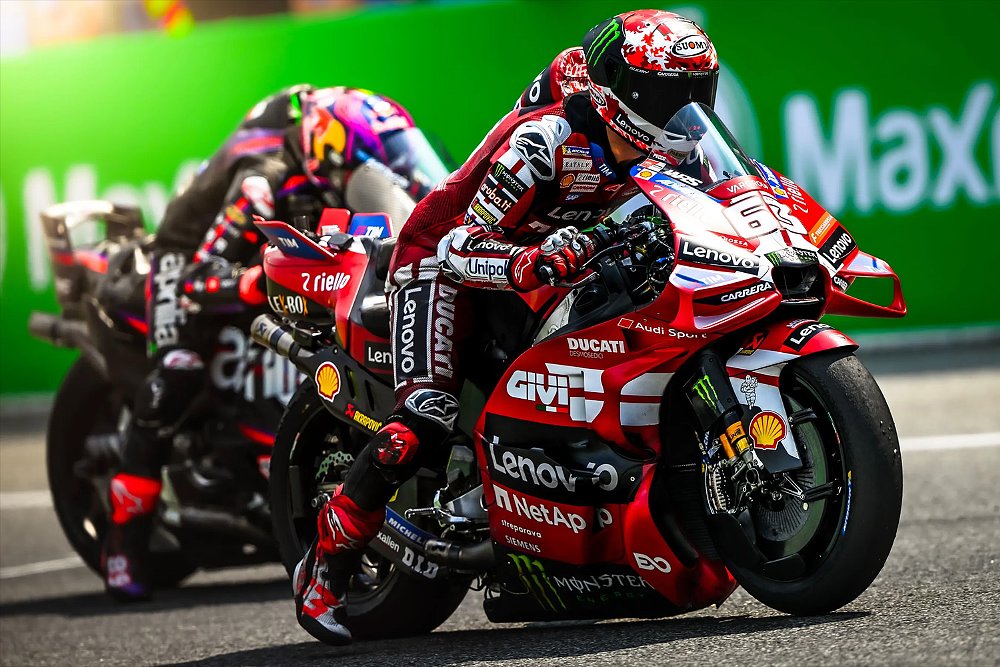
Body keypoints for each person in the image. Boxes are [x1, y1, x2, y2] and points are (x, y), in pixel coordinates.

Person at [292, 9, 721, 645]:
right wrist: (528, 261)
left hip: (546, 265)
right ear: (624, 93)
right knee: (425, 422)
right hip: (443, 265)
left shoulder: (671, 147)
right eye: (669, 94)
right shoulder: (544, 142)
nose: (685, 110)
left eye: (697, 93)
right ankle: (328, 562)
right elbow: (461, 245)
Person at [102, 85, 450, 601]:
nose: (391, 175)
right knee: (177, 370)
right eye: (379, 165)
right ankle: (123, 544)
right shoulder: (260, 181)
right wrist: (260, 281)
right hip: (184, 260)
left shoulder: (330, 166)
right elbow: (200, 278)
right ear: (329, 153)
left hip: (257, 259)